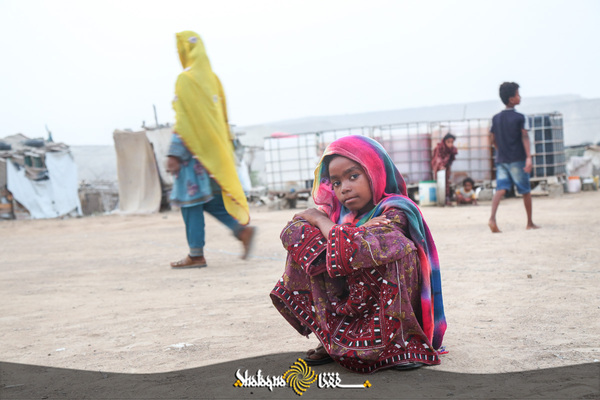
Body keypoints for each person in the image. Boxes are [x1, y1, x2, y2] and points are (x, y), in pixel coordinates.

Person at [270, 135, 447, 373]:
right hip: (347, 299)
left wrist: (324, 224)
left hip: (384, 305)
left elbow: (365, 247)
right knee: (305, 245)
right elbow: (291, 231)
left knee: (394, 248)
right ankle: (332, 339)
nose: (344, 188)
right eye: (336, 182)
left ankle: (402, 343)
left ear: (375, 171)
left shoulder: (397, 209)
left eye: (353, 176)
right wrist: (348, 231)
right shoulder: (336, 213)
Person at [167, 31, 255, 268]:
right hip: (215, 155)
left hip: (193, 155)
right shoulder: (213, 79)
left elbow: (184, 120)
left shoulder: (185, 79)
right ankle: (242, 231)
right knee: (210, 201)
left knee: (191, 203)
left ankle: (196, 255)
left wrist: (175, 153)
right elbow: (222, 116)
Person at [488, 82, 540, 233]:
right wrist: (528, 157)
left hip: (501, 159)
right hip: (517, 159)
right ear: (511, 99)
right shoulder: (520, 117)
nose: (520, 97)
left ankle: (492, 218)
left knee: (500, 189)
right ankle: (529, 222)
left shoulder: (496, 118)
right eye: (518, 94)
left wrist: (500, 151)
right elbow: (525, 137)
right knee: (525, 191)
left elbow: (492, 139)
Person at [431, 133, 458, 206]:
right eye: (448, 142)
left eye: (452, 142)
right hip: (438, 167)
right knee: (440, 182)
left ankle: (446, 198)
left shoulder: (452, 149)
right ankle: (440, 199)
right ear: (444, 141)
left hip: (446, 167)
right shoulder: (439, 148)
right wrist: (441, 166)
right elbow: (437, 158)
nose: (450, 144)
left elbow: (451, 159)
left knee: (446, 182)